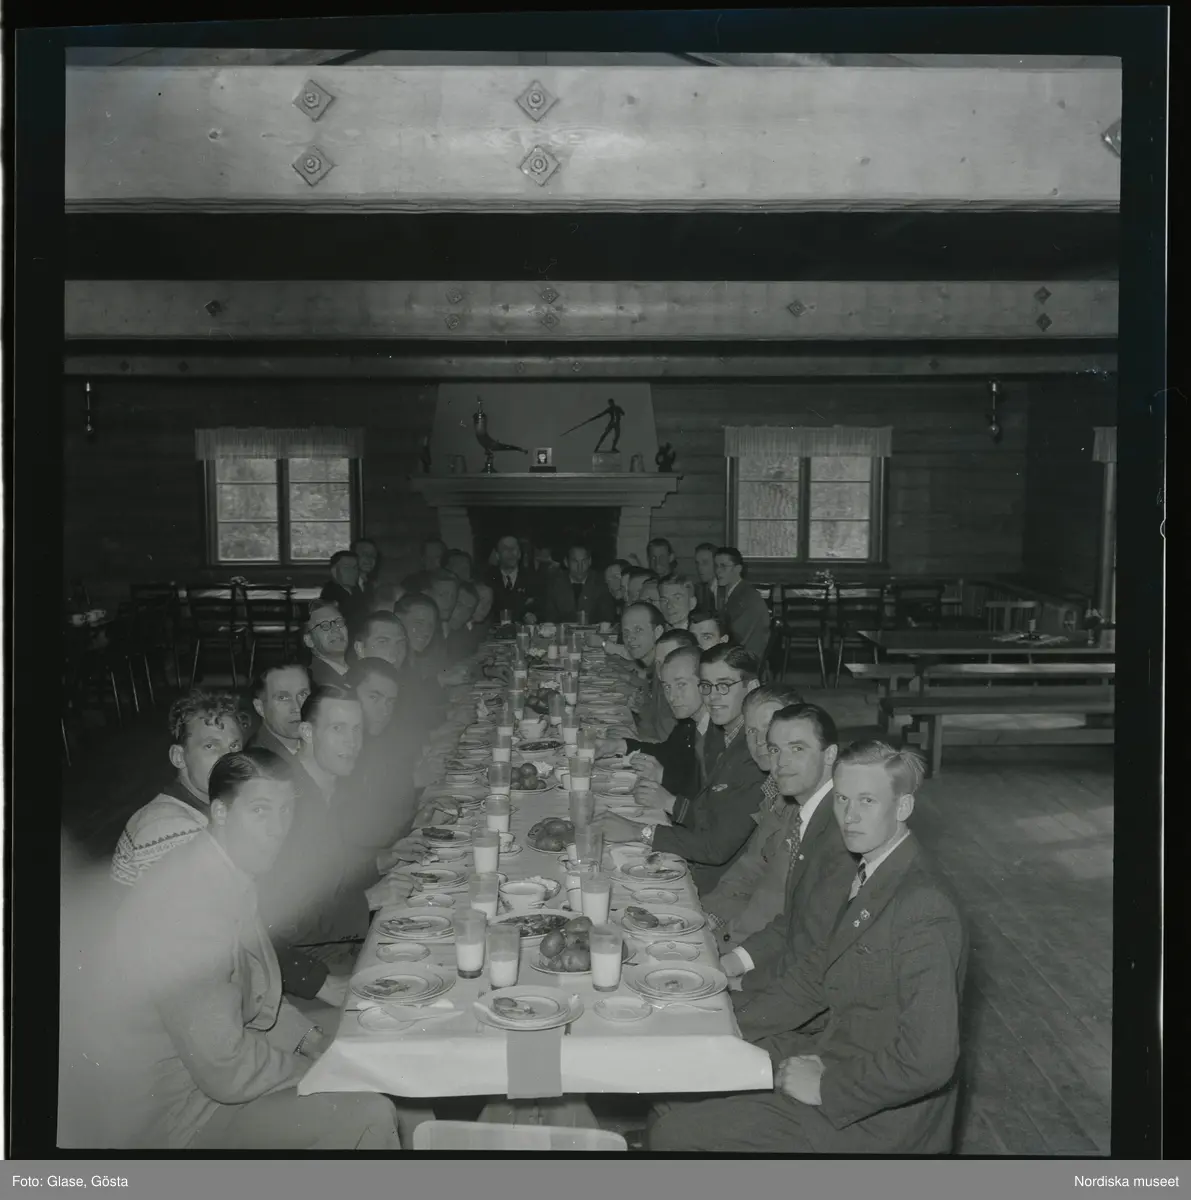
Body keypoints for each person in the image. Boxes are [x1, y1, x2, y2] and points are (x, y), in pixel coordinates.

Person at [649, 742, 967, 1155]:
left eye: (867, 801)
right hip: (836, 1052)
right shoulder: (873, 870)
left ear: (903, 806)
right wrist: (731, 1027)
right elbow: (816, 974)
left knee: (675, 1132)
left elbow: (930, 1060)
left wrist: (826, 1086)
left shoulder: (923, 907)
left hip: (875, 1116)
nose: (849, 816)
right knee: (674, 1073)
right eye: (842, 799)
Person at [101, 748, 402, 1150]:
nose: (278, 829)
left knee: (376, 1039)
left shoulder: (226, 870)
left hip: (215, 1071)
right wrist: (317, 1073)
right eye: (260, 811)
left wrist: (312, 1041)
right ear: (221, 812)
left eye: (285, 811)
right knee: (369, 1111)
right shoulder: (190, 905)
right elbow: (225, 1068)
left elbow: (256, 998)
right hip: (180, 1115)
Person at [597, 644, 766, 893]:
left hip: (723, 882)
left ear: (751, 687)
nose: (712, 697)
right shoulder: (722, 734)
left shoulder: (754, 752)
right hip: (702, 856)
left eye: (723, 686)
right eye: (706, 686)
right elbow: (706, 812)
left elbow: (716, 846)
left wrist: (640, 831)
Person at [703, 696, 845, 955]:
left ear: (830, 755)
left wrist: (718, 943)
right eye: (775, 750)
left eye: (797, 749)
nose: (781, 762)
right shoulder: (795, 802)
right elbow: (751, 872)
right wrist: (707, 917)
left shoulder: (838, 824)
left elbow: (774, 908)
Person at [255, 686, 370, 1003]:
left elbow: (330, 879)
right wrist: (368, 900)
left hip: (330, 947)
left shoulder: (330, 790)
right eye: (338, 729)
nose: (352, 742)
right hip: (299, 972)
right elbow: (282, 922)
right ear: (306, 732)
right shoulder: (287, 805)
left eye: (358, 729)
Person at [110, 691, 241, 886]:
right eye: (210, 746)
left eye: (235, 746)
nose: (229, 759)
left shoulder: (204, 806)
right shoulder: (173, 829)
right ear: (179, 757)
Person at [595, 643, 708, 810]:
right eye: (667, 687)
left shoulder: (718, 732)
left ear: (705, 683)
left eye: (681, 684)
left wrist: (663, 777)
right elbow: (667, 753)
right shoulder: (689, 723)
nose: (672, 696)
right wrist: (618, 745)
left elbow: (709, 803)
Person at [632, 625, 696, 744]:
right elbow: (651, 722)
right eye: (658, 662)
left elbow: (672, 747)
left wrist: (634, 740)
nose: (661, 669)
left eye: (668, 660)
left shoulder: (690, 698)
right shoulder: (661, 683)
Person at [713, 546, 772, 662]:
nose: (718, 571)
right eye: (716, 566)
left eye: (723, 566)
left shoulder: (748, 597)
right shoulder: (730, 592)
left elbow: (738, 636)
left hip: (747, 658)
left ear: (738, 569)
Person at [248, 663, 312, 759]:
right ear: (260, 708)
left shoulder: (322, 742)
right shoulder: (254, 762)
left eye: (303, 694)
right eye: (283, 698)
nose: (297, 708)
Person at [541, 544, 616, 625]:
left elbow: (607, 617)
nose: (580, 567)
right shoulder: (555, 584)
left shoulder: (601, 584)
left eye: (584, 561)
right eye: (575, 561)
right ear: (566, 562)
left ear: (590, 561)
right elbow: (549, 618)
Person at [488, 534, 540, 622]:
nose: (511, 552)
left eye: (514, 548)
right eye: (505, 549)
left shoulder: (534, 579)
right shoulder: (487, 579)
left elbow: (542, 610)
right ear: (497, 555)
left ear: (519, 554)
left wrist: (533, 616)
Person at [303, 600, 351, 687]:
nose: (335, 629)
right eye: (324, 625)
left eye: (338, 621)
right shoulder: (314, 683)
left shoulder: (359, 669)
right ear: (309, 640)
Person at [319, 551, 367, 627]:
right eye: (347, 568)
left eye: (355, 567)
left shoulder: (355, 589)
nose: (353, 572)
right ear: (334, 571)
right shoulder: (331, 596)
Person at [693, 542, 719, 612]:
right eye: (697, 563)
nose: (699, 568)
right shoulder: (701, 589)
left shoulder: (724, 591)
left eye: (705, 563)